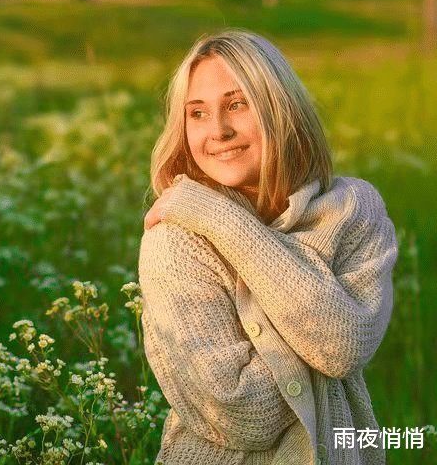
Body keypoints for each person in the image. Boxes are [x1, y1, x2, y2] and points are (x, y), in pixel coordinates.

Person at [138, 29, 398, 464]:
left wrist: (223, 221)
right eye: (197, 113)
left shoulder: (354, 209)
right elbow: (239, 412)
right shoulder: (175, 239)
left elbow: (343, 346)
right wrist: (314, 326)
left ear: (282, 109)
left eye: (237, 104)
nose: (217, 130)